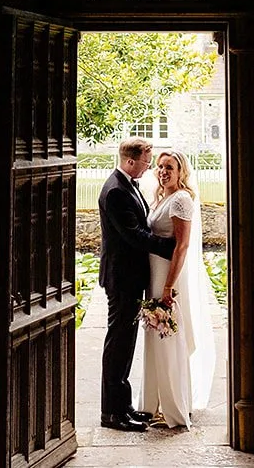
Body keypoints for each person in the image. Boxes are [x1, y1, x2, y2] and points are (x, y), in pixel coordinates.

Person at [98, 137, 176, 432]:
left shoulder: (127, 184)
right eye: (146, 162)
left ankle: (124, 406)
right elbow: (135, 235)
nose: (149, 168)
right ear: (130, 161)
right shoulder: (116, 191)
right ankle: (111, 414)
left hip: (129, 276)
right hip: (122, 278)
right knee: (118, 344)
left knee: (125, 343)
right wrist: (171, 247)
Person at [139, 149, 216, 429]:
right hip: (155, 276)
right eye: (160, 167)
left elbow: (181, 246)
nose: (163, 171)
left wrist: (169, 285)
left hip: (167, 278)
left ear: (181, 171)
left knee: (168, 338)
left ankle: (172, 408)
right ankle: (154, 404)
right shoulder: (163, 197)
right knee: (156, 338)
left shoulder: (181, 199)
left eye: (169, 167)